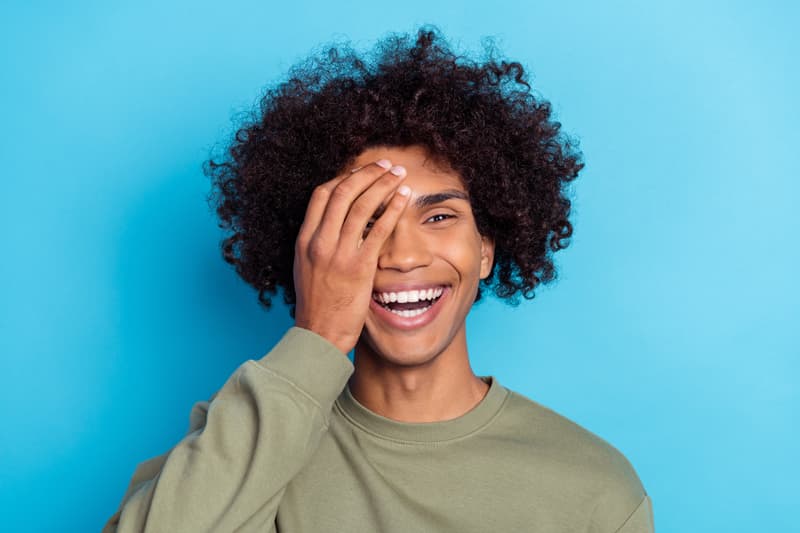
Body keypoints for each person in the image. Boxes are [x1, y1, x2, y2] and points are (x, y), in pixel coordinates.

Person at [104, 26, 654, 532]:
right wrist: (316, 339)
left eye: (439, 217)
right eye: (364, 224)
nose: (403, 255)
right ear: (313, 254)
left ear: (486, 247)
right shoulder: (246, 442)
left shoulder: (594, 489)